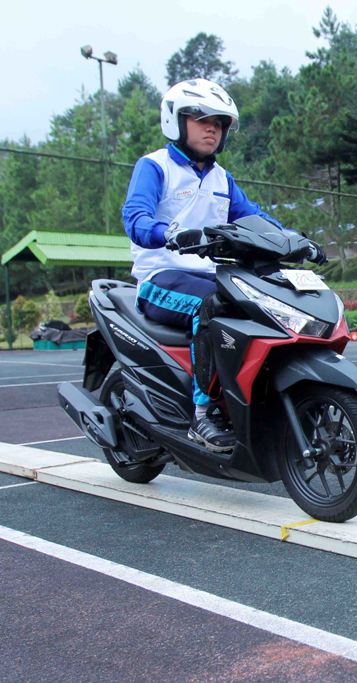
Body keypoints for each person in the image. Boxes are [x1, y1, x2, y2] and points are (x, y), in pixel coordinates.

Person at [121, 78, 320, 452]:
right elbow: (135, 218)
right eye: (201, 119)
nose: (212, 128)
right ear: (176, 121)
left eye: (220, 122)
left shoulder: (221, 178)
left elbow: (257, 219)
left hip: (213, 275)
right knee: (210, 304)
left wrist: (300, 241)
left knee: (265, 300)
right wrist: (169, 234)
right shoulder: (154, 166)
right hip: (161, 277)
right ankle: (203, 414)